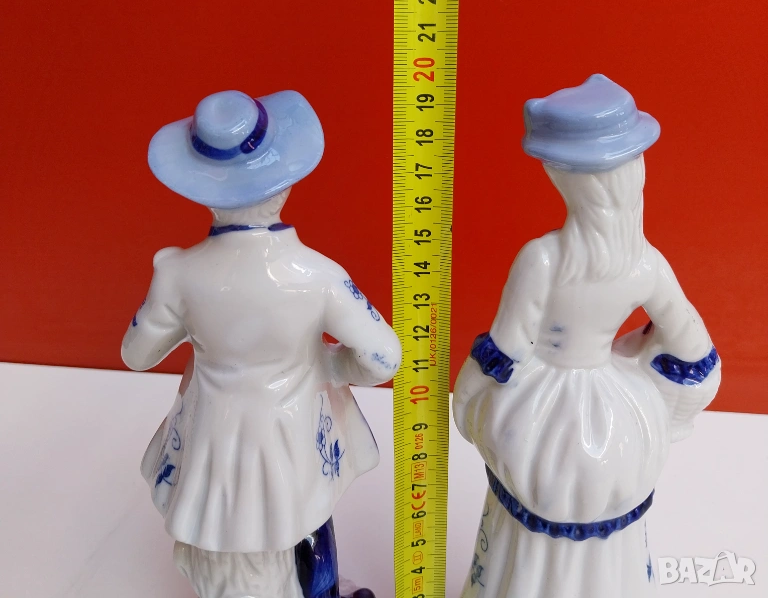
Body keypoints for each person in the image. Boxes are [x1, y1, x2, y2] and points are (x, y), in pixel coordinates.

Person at [122, 89, 401, 598]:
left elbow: (136, 355)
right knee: (306, 521)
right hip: (292, 432)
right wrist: (332, 366)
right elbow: (383, 358)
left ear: (200, 187)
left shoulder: (179, 273)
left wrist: (172, 304)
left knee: (218, 525)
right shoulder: (317, 275)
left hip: (212, 434)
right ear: (285, 182)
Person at [453, 74, 720, 598]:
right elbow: (695, 351)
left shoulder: (543, 259)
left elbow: (505, 350)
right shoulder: (646, 264)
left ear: (562, 176)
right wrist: (652, 382)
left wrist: (465, 401)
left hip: (540, 414)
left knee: (531, 511)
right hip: (617, 415)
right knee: (606, 530)